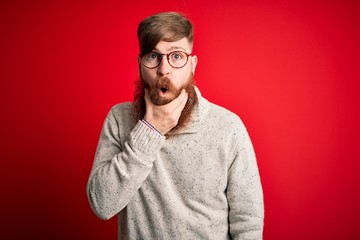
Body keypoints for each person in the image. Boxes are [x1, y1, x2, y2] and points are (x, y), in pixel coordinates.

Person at [87, 11, 264, 240]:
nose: (164, 69)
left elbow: (248, 222)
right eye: (153, 56)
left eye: (176, 56)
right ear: (140, 63)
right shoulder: (120, 119)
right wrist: (149, 131)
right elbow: (101, 204)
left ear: (192, 64)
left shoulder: (228, 127)